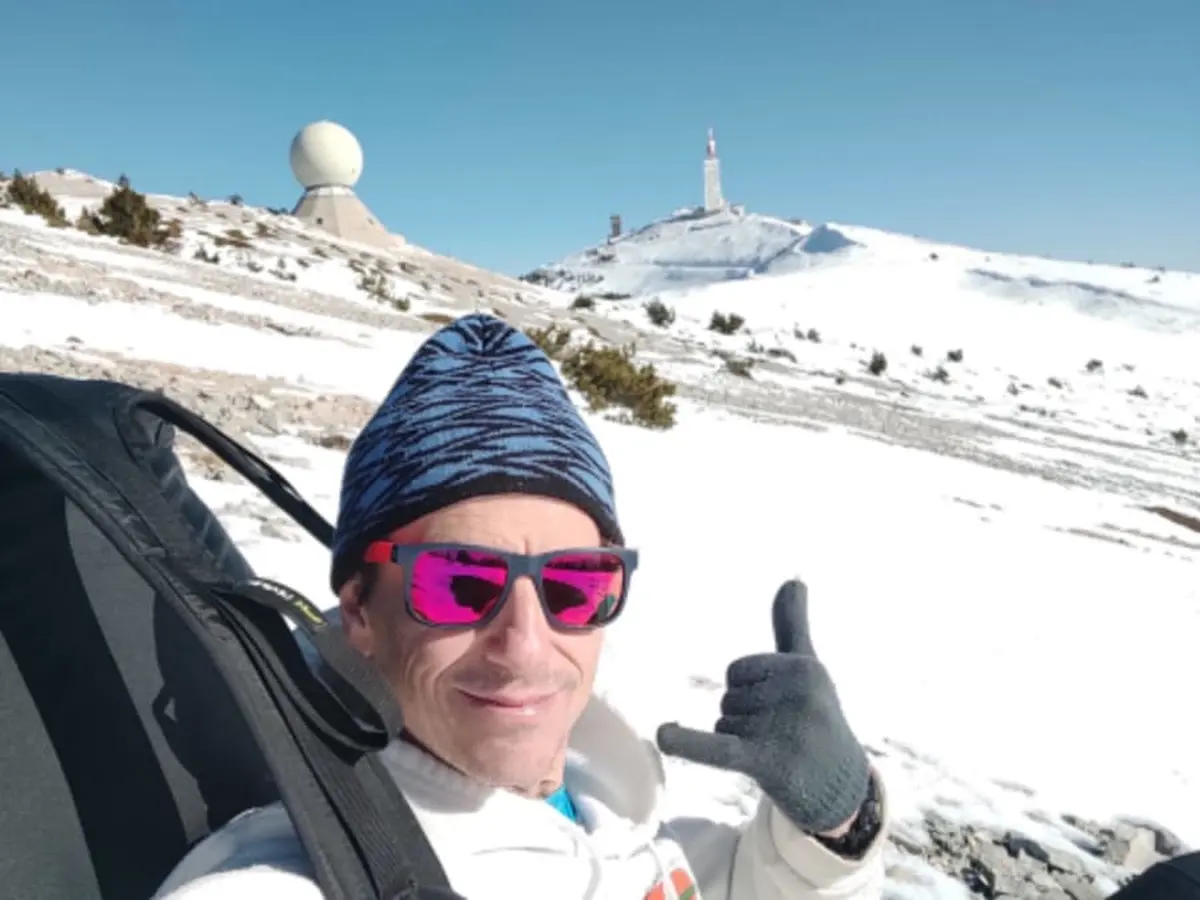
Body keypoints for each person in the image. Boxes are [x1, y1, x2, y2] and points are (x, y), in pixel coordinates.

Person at [155, 313, 890, 900]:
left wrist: (836, 825)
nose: (528, 645)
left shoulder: (601, 791)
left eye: (576, 583)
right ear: (358, 610)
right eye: (459, 582)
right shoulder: (307, 871)